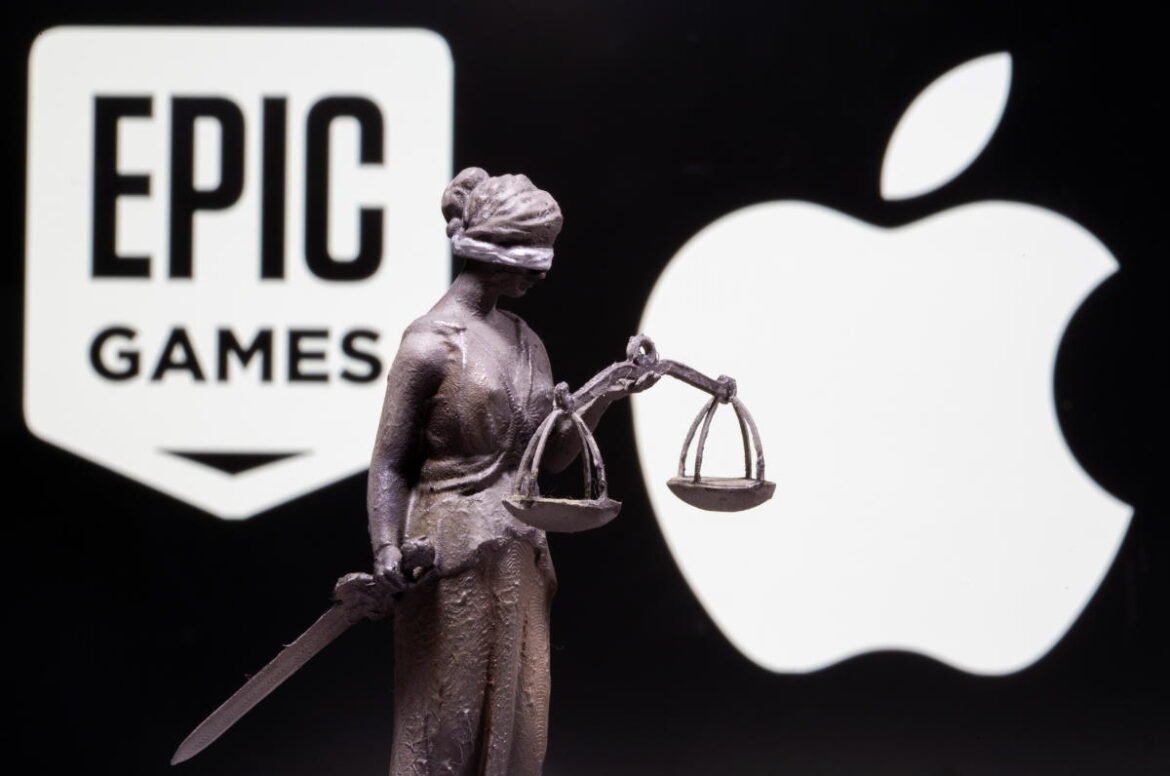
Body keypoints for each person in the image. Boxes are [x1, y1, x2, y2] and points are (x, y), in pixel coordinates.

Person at [367, 167, 647, 776]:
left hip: (520, 550)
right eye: (530, 259)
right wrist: (386, 546)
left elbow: (549, 457)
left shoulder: (526, 340)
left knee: (520, 721)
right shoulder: (429, 343)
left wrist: (608, 390)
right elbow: (390, 460)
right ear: (492, 252)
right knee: (444, 720)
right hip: (448, 551)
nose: (537, 275)